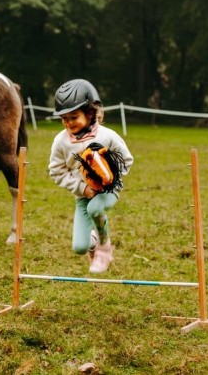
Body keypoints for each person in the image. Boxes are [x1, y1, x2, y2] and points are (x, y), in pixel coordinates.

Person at [48, 79, 134, 273]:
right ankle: (93, 243)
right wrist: (82, 189)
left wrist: (109, 177)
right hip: (83, 196)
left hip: (108, 191)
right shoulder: (60, 142)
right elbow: (56, 171)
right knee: (79, 247)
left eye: (73, 117)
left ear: (89, 113)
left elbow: (127, 160)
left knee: (96, 208)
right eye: (64, 118)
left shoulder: (107, 136)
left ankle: (104, 248)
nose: (68, 123)